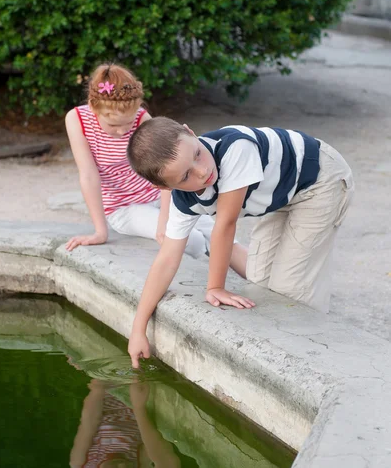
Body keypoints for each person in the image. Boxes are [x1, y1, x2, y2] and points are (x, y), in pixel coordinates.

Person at [126, 117, 354, 368]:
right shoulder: (184, 200)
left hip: (319, 179)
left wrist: (215, 287)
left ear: (190, 131)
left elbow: (225, 225)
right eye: (185, 176)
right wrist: (138, 329)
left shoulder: (235, 148)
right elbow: (167, 259)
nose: (201, 171)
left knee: (291, 289)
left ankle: (317, 362)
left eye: (197, 154)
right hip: (281, 194)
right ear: (165, 187)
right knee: (259, 279)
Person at [64, 63, 215, 259]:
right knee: (190, 240)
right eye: (113, 125)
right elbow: (88, 176)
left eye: (128, 123)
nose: (123, 131)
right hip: (124, 208)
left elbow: (165, 168)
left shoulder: (142, 118)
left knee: (214, 229)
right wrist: (100, 232)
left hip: (159, 194)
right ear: (93, 106)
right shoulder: (77, 119)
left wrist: (164, 218)